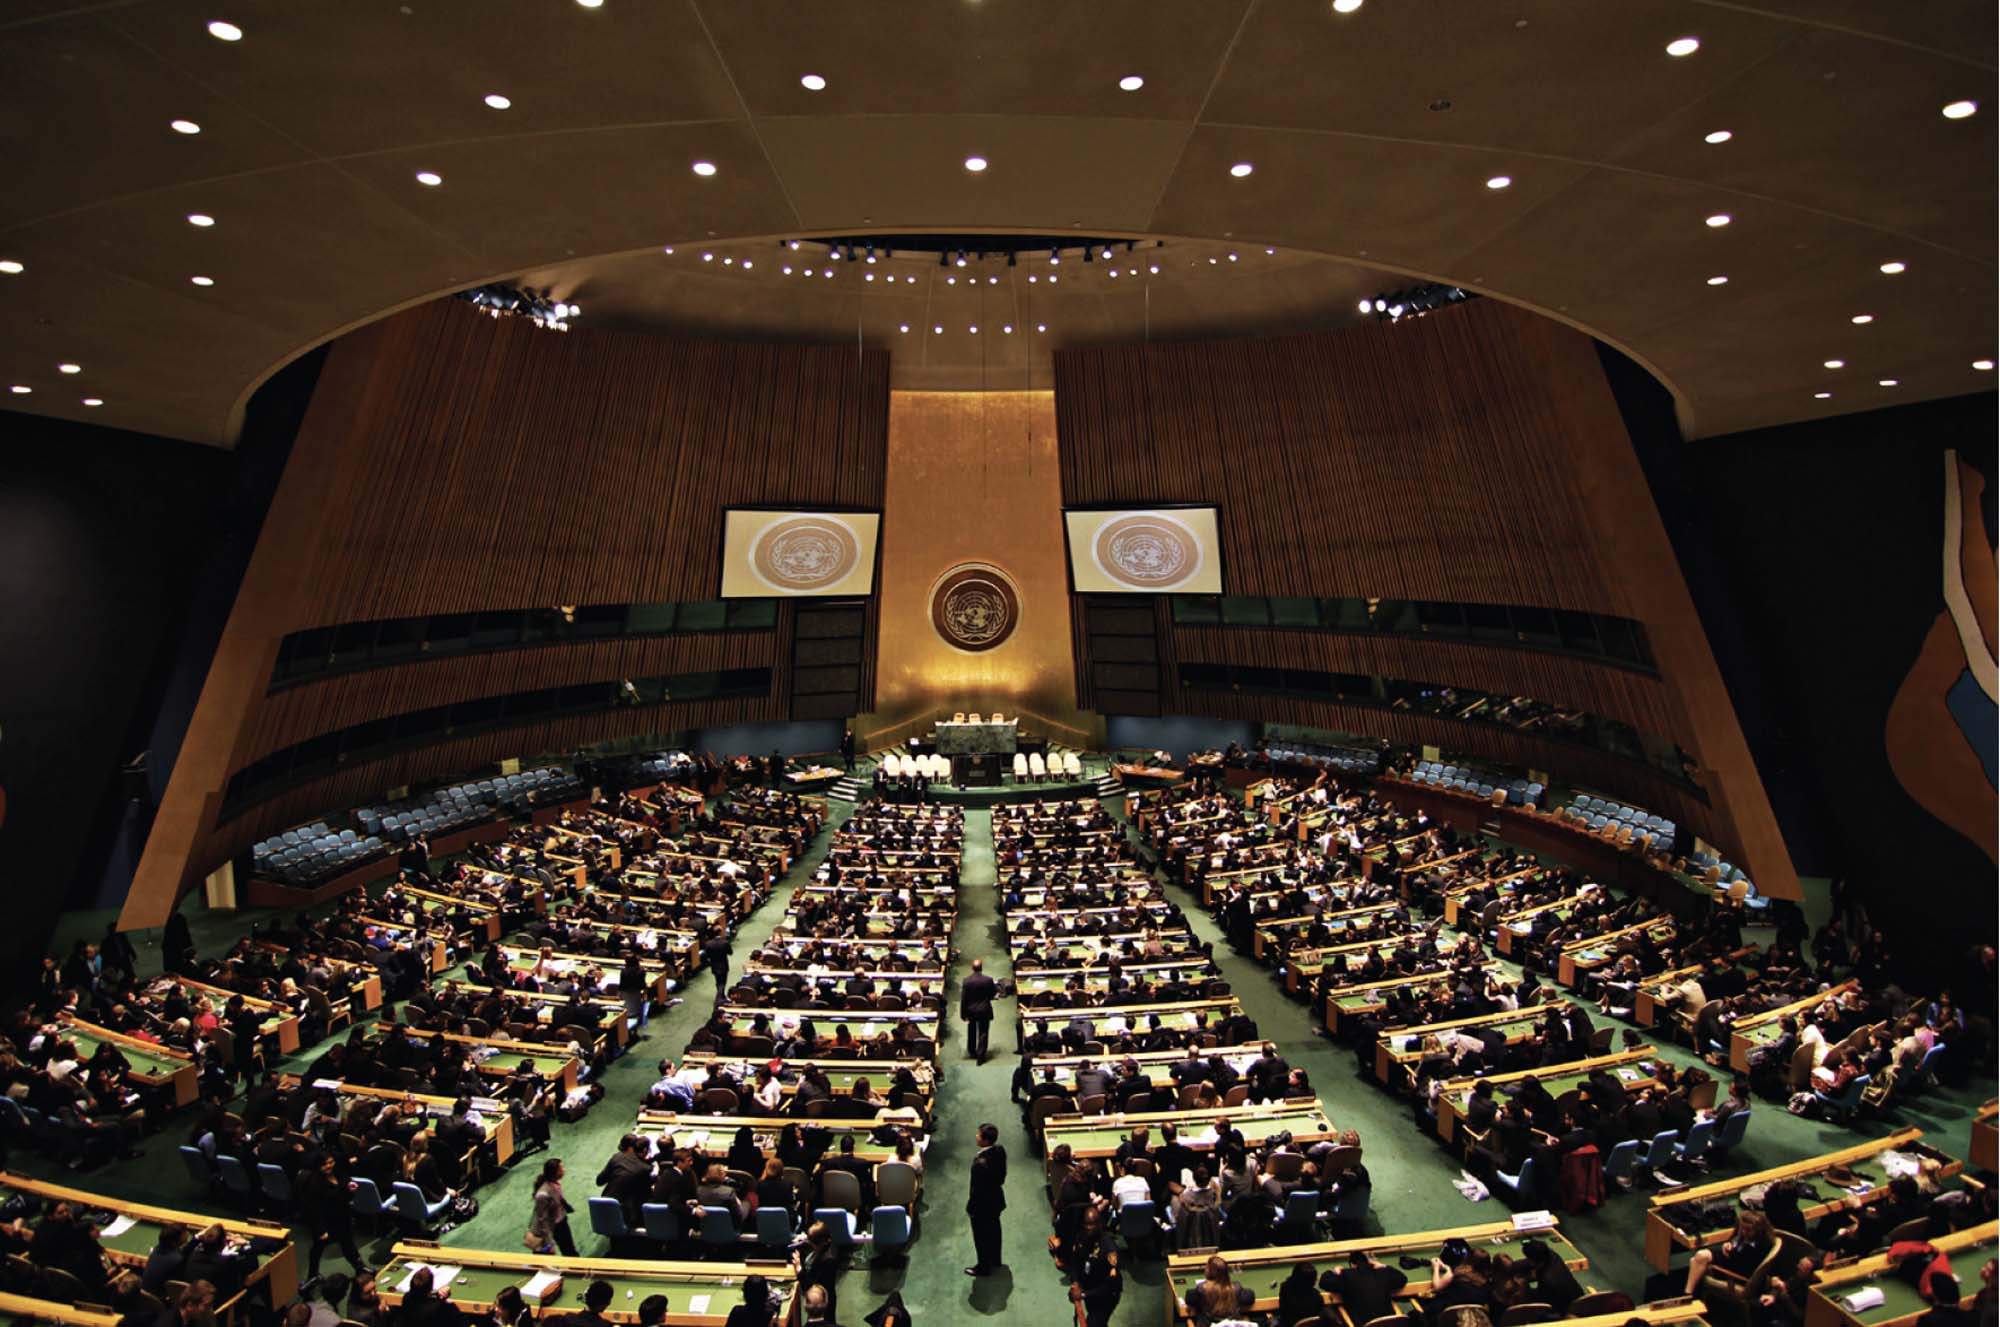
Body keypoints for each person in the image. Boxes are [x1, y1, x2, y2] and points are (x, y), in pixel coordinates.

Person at [965, 1121, 1007, 1277]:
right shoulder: (1000, 1151)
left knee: (981, 1237)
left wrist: (971, 1208)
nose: (976, 1136)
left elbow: (976, 1191)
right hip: (996, 1200)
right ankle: (996, 1259)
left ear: (985, 1140)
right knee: (995, 1230)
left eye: (978, 1135)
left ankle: (983, 1267)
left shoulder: (980, 1164)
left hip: (982, 1206)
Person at [1323, 1248, 1408, 1323]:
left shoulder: (1346, 1275)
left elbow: (1324, 1283)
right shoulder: (1382, 1272)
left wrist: (1334, 1271)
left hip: (1365, 1324)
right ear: (1369, 1262)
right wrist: (1384, 1266)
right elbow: (1402, 1279)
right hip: (1389, 1324)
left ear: (1352, 1265)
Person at [1186, 1255, 1254, 1326]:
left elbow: (1189, 1299)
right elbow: (1250, 1298)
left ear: (1208, 1271)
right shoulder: (1236, 1288)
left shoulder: (1201, 1289)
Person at [528, 1158, 577, 1256]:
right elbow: (542, 1220)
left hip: (560, 1221)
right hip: (546, 1228)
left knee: (570, 1251)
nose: (564, 1170)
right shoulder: (542, 1194)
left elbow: (558, 1198)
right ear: (555, 1172)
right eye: (561, 1168)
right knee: (544, 1259)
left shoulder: (555, 1184)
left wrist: (567, 1207)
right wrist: (549, 1243)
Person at [960, 958, 996, 1063]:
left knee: (971, 1029)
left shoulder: (966, 981)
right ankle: (981, 1054)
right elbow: (992, 994)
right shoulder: (988, 980)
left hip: (971, 1010)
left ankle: (972, 1051)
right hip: (984, 1009)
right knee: (983, 1032)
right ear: (981, 968)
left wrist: (963, 1014)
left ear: (972, 968)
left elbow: (964, 999)